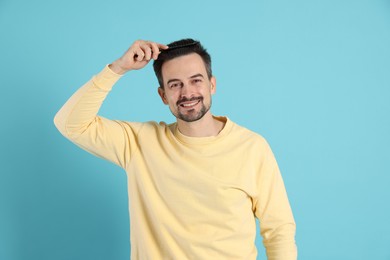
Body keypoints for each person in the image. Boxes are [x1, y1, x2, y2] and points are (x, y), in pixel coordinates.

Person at [54, 39, 297, 260]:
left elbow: (279, 231)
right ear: (163, 95)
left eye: (196, 80)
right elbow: (69, 124)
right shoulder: (139, 143)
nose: (187, 92)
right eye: (175, 84)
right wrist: (118, 68)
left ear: (212, 85)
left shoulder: (252, 148)